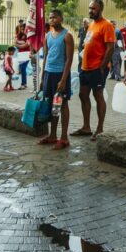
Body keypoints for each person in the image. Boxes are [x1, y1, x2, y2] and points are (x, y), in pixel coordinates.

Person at [74, 0, 114, 141]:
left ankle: (100, 128)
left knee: (98, 96)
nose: (91, 11)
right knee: (82, 94)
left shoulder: (107, 25)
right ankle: (86, 127)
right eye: (90, 8)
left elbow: (111, 48)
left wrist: (103, 66)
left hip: (98, 68)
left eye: (94, 8)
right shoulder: (91, 25)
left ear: (100, 9)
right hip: (85, 67)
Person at [38, 9, 75, 150]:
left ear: (61, 18)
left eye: (54, 17)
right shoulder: (47, 36)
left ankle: (64, 138)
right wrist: (42, 77)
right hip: (48, 73)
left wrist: (64, 79)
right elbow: (45, 56)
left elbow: (69, 59)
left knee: (62, 104)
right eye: (50, 18)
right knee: (52, 105)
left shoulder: (67, 36)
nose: (51, 20)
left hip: (60, 74)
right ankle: (52, 135)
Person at [14, 22, 31, 90]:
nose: (22, 30)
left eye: (23, 29)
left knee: (23, 68)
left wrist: (18, 45)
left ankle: (23, 84)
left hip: (26, 53)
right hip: (20, 54)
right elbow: (15, 43)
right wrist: (19, 46)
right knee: (21, 68)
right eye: (21, 29)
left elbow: (26, 45)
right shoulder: (18, 36)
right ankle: (24, 83)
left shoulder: (28, 36)